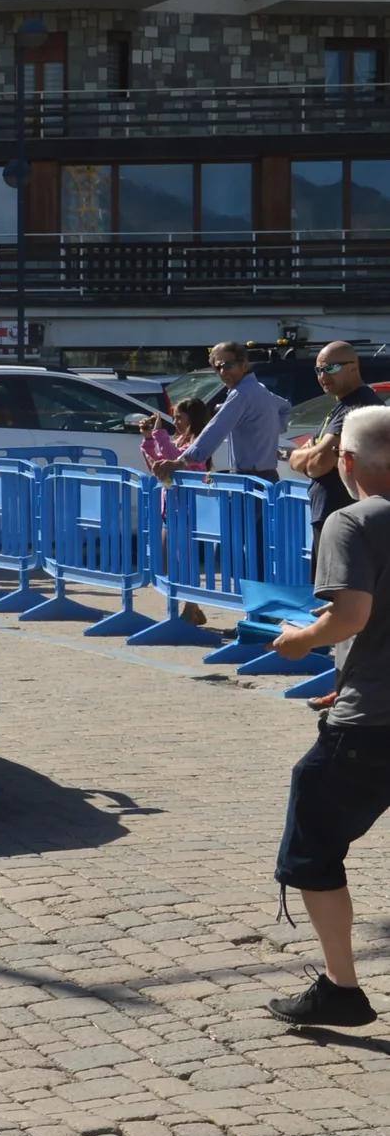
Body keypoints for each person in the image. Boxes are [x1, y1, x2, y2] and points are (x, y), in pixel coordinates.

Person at [266, 405, 390, 1027]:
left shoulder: (352, 521)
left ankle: (342, 989)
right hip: (365, 701)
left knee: (311, 848)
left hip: (373, 725)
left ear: (345, 462)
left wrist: (300, 642)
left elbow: (351, 617)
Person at [291, 341, 382, 530]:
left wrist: (312, 454)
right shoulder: (341, 407)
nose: (323, 376)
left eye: (331, 368)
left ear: (353, 367)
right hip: (330, 516)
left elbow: (318, 463)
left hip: (345, 519)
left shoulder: (358, 407)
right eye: (318, 370)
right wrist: (310, 454)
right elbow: (302, 458)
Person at [181, 341, 289, 481]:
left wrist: (181, 462)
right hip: (266, 477)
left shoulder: (241, 393)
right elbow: (285, 407)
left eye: (228, 365)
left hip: (251, 481)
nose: (222, 372)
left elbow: (216, 429)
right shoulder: (259, 389)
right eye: (217, 367)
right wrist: (268, 433)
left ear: (244, 365)